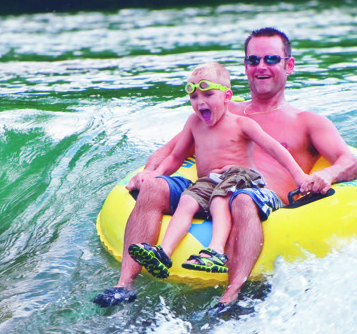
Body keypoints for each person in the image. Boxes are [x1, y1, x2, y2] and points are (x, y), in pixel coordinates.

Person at [93, 27, 357, 312]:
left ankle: (231, 296)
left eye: (271, 59)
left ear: (288, 65)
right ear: (245, 67)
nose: (261, 67)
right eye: (253, 60)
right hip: (207, 190)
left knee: (241, 199)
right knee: (154, 186)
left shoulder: (307, 122)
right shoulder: (218, 109)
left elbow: (349, 162)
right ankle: (124, 285)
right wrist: (149, 171)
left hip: (254, 198)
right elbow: (171, 152)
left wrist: (325, 175)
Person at [124, 60, 314, 288]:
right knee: (186, 201)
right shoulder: (194, 123)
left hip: (241, 178)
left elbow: (276, 149)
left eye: (208, 95)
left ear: (226, 97)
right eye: (194, 98)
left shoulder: (242, 124)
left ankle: (215, 250)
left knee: (219, 199)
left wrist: (300, 176)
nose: (200, 102)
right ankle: (163, 252)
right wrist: (154, 174)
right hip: (208, 181)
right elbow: (175, 157)